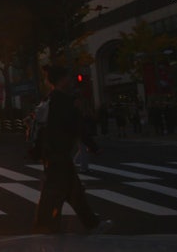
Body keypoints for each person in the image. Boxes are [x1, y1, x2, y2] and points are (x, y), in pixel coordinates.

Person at [33, 65, 112, 234]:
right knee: (52, 193)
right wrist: (93, 146)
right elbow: (77, 127)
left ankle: (92, 224)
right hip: (59, 153)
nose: (71, 80)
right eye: (68, 77)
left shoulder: (48, 100)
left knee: (73, 191)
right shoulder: (64, 101)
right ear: (62, 79)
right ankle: (44, 229)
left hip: (51, 153)